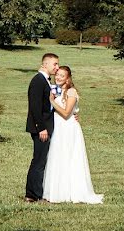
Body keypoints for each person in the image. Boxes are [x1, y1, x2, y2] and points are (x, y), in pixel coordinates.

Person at [42, 66, 104, 204]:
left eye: (62, 76)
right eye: (57, 74)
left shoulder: (71, 91)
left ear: (68, 78)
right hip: (59, 129)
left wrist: (51, 101)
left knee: (69, 158)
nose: (58, 77)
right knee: (58, 158)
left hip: (68, 129)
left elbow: (65, 113)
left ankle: (72, 191)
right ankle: (58, 191)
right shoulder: (58, 91)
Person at [25, 53, 58, 203]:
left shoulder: (45, 80)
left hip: (45, 126)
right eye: (55, 64)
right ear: (45, 65)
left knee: (41, 160)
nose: (57, 67)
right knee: (38, 161)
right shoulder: (38, 80)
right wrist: (41, 128)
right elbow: (35, 107)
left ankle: (35, 193)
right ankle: (33, 195)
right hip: (40, 128)